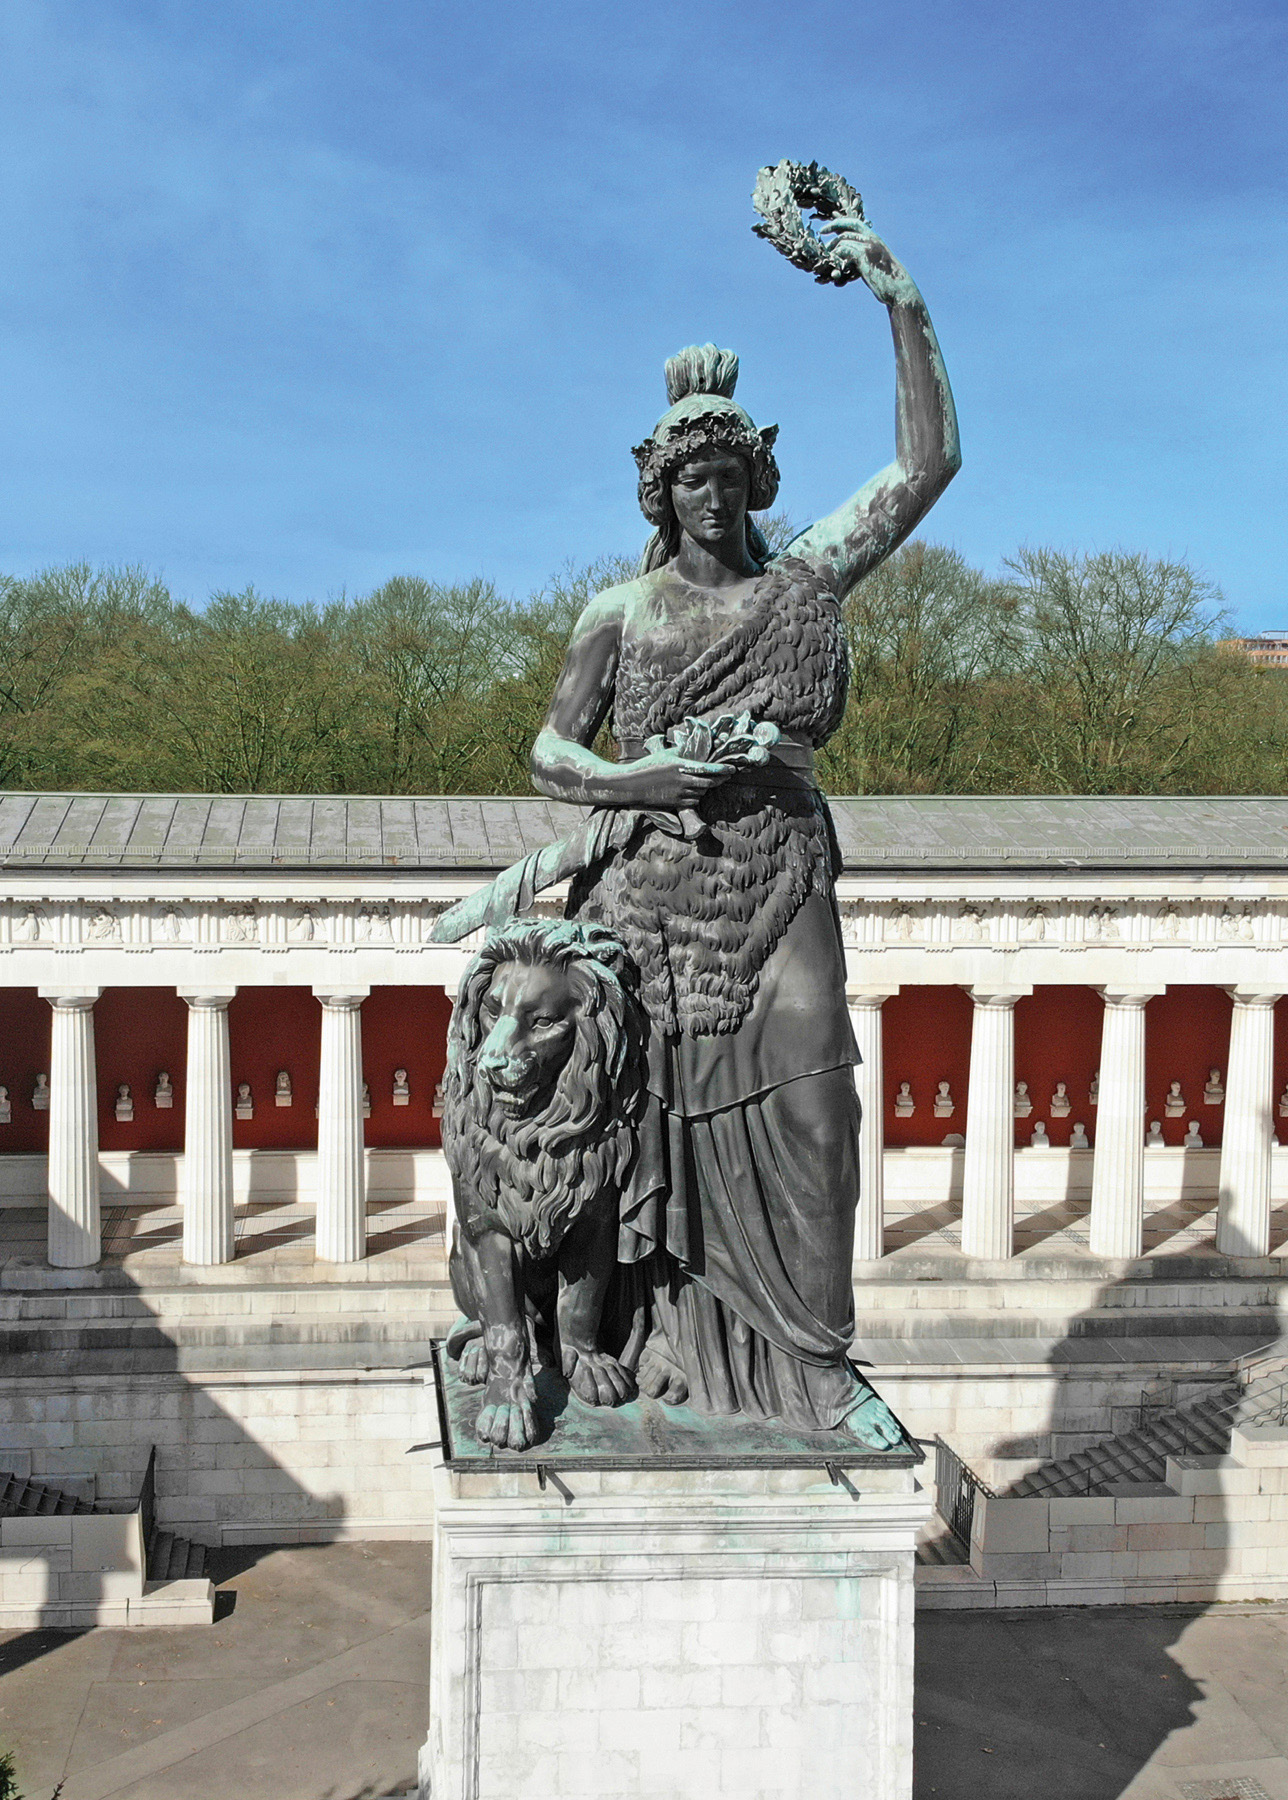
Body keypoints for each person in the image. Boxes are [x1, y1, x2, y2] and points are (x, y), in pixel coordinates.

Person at [442, 214, 958, 1447]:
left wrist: (901, 302)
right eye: (690, 480)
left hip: (778, 872)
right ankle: (615, 1335)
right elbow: (553, 751)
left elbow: (926, 465)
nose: (712, 497)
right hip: (650, 893)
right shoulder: (619, 608)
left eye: (730, 478)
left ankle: (812, 1356)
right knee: (640, 1132)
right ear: (659, 492)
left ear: (756, 484)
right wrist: (648, 778)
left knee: (819, 1101)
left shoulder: (808, 581)